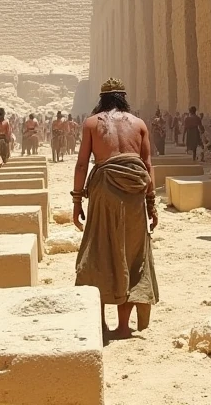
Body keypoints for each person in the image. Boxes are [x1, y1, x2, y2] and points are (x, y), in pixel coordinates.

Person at [73, 77, 159, 340]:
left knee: (99, 251)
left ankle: (99, 323)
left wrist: (77, 200)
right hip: (134, 191)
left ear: (102, 99)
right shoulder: (139, 124)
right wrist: (151, 203)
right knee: (132, 255)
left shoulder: (91, 123)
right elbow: (147, 165)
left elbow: (81, 164)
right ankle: (124, 326)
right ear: (123, 98)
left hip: (104, 192)